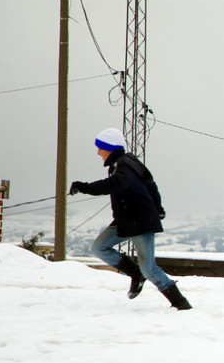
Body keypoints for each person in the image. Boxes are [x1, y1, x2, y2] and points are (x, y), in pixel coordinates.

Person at [69, 128, 192, 310]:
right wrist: (158, 208)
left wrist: (84, 187)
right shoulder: (125, 163)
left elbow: (116, 184)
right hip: (126, 222)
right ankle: (136, 274)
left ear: (109, 147)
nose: (98, 152)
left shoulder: (124, 164)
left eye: (100, 148)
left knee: (149, 268)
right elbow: (151, 184)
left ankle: (181, 304)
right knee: (99, 247)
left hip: (140, 222)